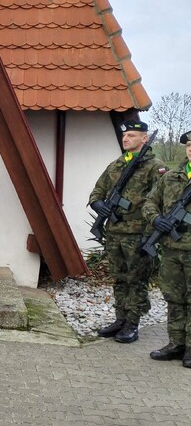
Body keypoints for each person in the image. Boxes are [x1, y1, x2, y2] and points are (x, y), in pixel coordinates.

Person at [88, 118, 166, 343]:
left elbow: (160, 203)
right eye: (124, 135)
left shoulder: (155, 167)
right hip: (114, 232)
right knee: (119, 278)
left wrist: (150, 236)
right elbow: (97, 192)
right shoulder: (115, 165)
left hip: (138, 233)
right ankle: (120, 319)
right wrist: (98, 204)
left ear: (144, 138)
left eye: (131, 135)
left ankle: (133, 323)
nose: (126, 138)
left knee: (136, 279)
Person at [142, 129, 191, 366]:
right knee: (174, 297)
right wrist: (155, 219)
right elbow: (150, 202)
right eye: (189, 145)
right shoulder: (171, 177)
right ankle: (176, 344)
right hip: (171, 250)